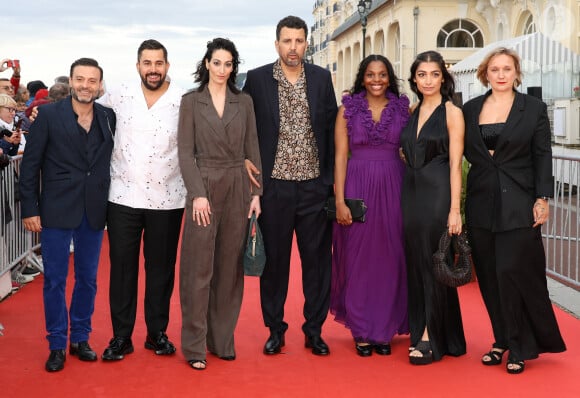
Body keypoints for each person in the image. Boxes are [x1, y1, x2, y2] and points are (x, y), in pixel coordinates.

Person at [462, 47, 566, 374]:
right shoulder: (470, 109)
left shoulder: (532, 109)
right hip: (481, 204)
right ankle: (501, 339)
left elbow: (543, 155)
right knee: (490, 277)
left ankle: (520, 345)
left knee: (513, 273)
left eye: (507, 68)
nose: (502, 74)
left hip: (520, 202)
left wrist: (543, 198)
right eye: (495, 69)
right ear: (486, 74)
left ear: (516, 72)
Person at [243, 15, 337, 356]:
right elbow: (243, 126)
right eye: (287, 41)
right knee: (275, 264)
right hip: (275, 187)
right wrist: (244, 163)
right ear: (277, 43)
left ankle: (314, 330)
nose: (293, 47)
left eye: (299, 41)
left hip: (314, 187)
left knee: (317, 263)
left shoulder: (321, 78)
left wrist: (331, 184)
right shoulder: (256, 79)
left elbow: (331, 129)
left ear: (306, 43)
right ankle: (275, 329)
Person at [19, 58, 115, 372]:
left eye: (92, 80)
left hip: (93, 209)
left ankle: (80, 338)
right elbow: (30, 166)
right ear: (71, 81)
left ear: (100, 85)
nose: (86, 85)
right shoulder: (47, 115)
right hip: (56, 209)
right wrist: (30, 208)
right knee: (55, 281)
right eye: (80, 79)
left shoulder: (108, 117)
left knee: (88, 280)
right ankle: (57, 343)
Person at [177, 38, 262, 370]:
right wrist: (197, 193)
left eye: (229, 64)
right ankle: (195, 345)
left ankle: (222, 340)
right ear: (207, 64)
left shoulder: (245, 102)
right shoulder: (191, 102)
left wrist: (257, 195)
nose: (223, 70)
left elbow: (252, 149)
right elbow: (185, 153)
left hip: (238, 186)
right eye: (217, 63)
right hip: (205, 186)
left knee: (229, 269)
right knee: (198, 269)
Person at [98, 39, 186, 361]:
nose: (153, 69)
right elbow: (87, 115)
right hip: (123, 196)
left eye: (158, 63)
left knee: (161, 269)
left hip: (169, 198)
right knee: (122, 269)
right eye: (147, 63)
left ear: (167, 65)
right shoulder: (119, 95)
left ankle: (156, 333)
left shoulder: (183, 99)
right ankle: (121, 337)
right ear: (138, 66)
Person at [330, 54, 410, 357]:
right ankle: (362, 330)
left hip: (395, 188)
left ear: (390, 77)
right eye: (370, 75)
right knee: (358, 259)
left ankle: (384, 330)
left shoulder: (404, 109)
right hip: (358, 187)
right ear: (362, 78)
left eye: (382, 75)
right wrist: (340, 200)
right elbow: (340, 156)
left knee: (391, 257)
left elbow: (413, 148)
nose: (376, 80)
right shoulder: (347, 110)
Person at [400, 50, 466, 365]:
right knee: (417, 262)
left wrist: (455, 210)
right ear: (414, 78)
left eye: (434, 74)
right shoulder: (412, 110)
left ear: (443, 77)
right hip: (411, 193)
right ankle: (443, 332)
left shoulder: (451, 112)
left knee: (432, 261)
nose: (428, 80)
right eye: (422, 74)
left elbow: (456, 165)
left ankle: (429, 336)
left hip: (438, 192)